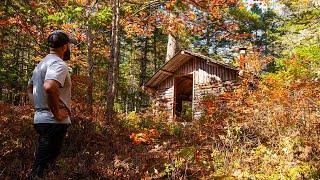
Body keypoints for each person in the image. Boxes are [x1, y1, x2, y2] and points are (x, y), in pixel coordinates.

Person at [27, 30, 75, 179]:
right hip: (53, 122)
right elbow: (49, 86)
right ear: (65, 46)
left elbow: (29, 88)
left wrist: (38, 106)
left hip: (41, 120)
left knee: (44, 165)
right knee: (40, 171)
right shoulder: (58, 64)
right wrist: (56, 113)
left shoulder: (41, 64)